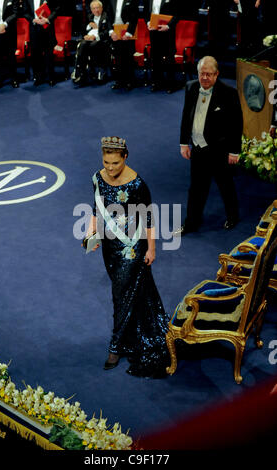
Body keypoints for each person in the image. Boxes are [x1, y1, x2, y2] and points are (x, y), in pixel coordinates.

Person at [84, 136, 169, 378]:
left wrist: (152, 249)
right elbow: (95, 207)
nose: (110, 168)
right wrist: (92, 233)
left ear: (125, 157)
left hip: (132, 249)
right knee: (129, 293)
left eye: (115, 163)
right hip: (110, 248)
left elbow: (149, 220)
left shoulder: (137, 184)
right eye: (106, 162)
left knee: (120, 295)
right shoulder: (98, 178)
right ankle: (134, 333)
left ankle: (115, 347)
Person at [178, 56, 243, 234]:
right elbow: (186, 117)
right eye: (201, 74)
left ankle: (233, 216)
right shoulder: (191, 87)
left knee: (225, 185)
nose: (204, 78)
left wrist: (234, 151)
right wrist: (184, 142)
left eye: (208, 74)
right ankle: (191, 222)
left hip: (219, 150)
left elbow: (236, 124)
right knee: (196, 189)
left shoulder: (228, 93)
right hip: (198, 148)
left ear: (216, 74)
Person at [143, 0, 180, 93]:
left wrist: (168, 26)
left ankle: (171, 85)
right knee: (155, 58)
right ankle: (157, 83)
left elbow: (177, 14)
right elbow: (146, 12)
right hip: (153, 32)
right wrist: (148, 23)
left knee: (169, 58)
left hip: (167, 33)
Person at [22, 0, 60, 86]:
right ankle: (38, 77)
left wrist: (48, 19)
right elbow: (25, 12)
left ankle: (51, 77)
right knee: (35, 54)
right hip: (34, 28)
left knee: (49, 54)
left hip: (47, 28)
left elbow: (57, 9)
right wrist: (33, 20)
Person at [72, 0, 110, 86]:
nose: (96, 10)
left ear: (102, 8)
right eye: (94, 8)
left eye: (98, 8)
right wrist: (87, 31)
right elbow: (83, 30)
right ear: (91, 10)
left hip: (102, 40)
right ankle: (81, 73)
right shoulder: (90, 17)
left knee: (92, 45)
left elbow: (108, 31)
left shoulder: (106, 16)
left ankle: (98, 71)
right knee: (82, 44)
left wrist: (95, 37)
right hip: (89, 40)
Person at [106, 0, 138, 90]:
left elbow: (134, 17)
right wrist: (111, 31)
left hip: (127, 32)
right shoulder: (111, 1)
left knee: (128, 58)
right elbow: (108, 17)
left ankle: (130, 81)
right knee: (118, 58)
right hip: (115, 32)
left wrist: (128, 33)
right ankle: (119, 81)